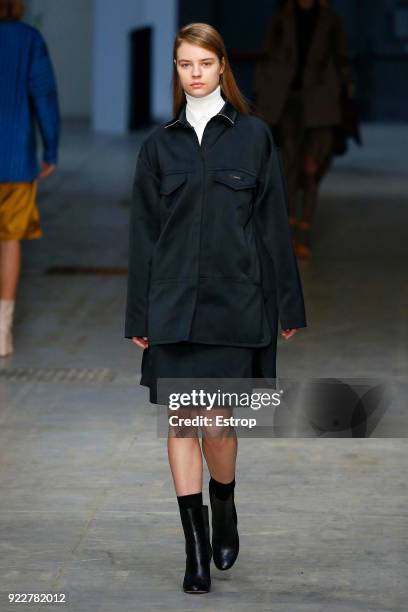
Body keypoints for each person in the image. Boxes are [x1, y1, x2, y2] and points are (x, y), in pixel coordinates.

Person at [124, 22, 307, 594]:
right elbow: (143, 236)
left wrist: (287, 302)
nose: (195, 72)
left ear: (222, 65)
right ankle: (196, 549)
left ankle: (223, 504)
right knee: (183, 420)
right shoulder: (159, 147)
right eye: (185, 64)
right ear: (177, 71)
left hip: (236, 302)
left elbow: (272, 222)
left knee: (217, 423)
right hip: (174, 305)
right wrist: (138, 316)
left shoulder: (254, 138)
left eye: (204, 62)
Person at [253, 0, 356, 258]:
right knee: (287, 165)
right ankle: (287, 236)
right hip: (284, 100)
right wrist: (262, 93)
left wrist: (346, 95)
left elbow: (341, 58)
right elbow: (268, 56)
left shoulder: (330, 20)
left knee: (311, 166)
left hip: (321, 100)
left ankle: (303, 236)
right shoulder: (282, 18)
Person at [0, 0, 60, 356]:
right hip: (16, 160)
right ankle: (1, 329)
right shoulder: (29, 39)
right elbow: (44, 96)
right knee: (10, 239)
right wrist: (51, 149)